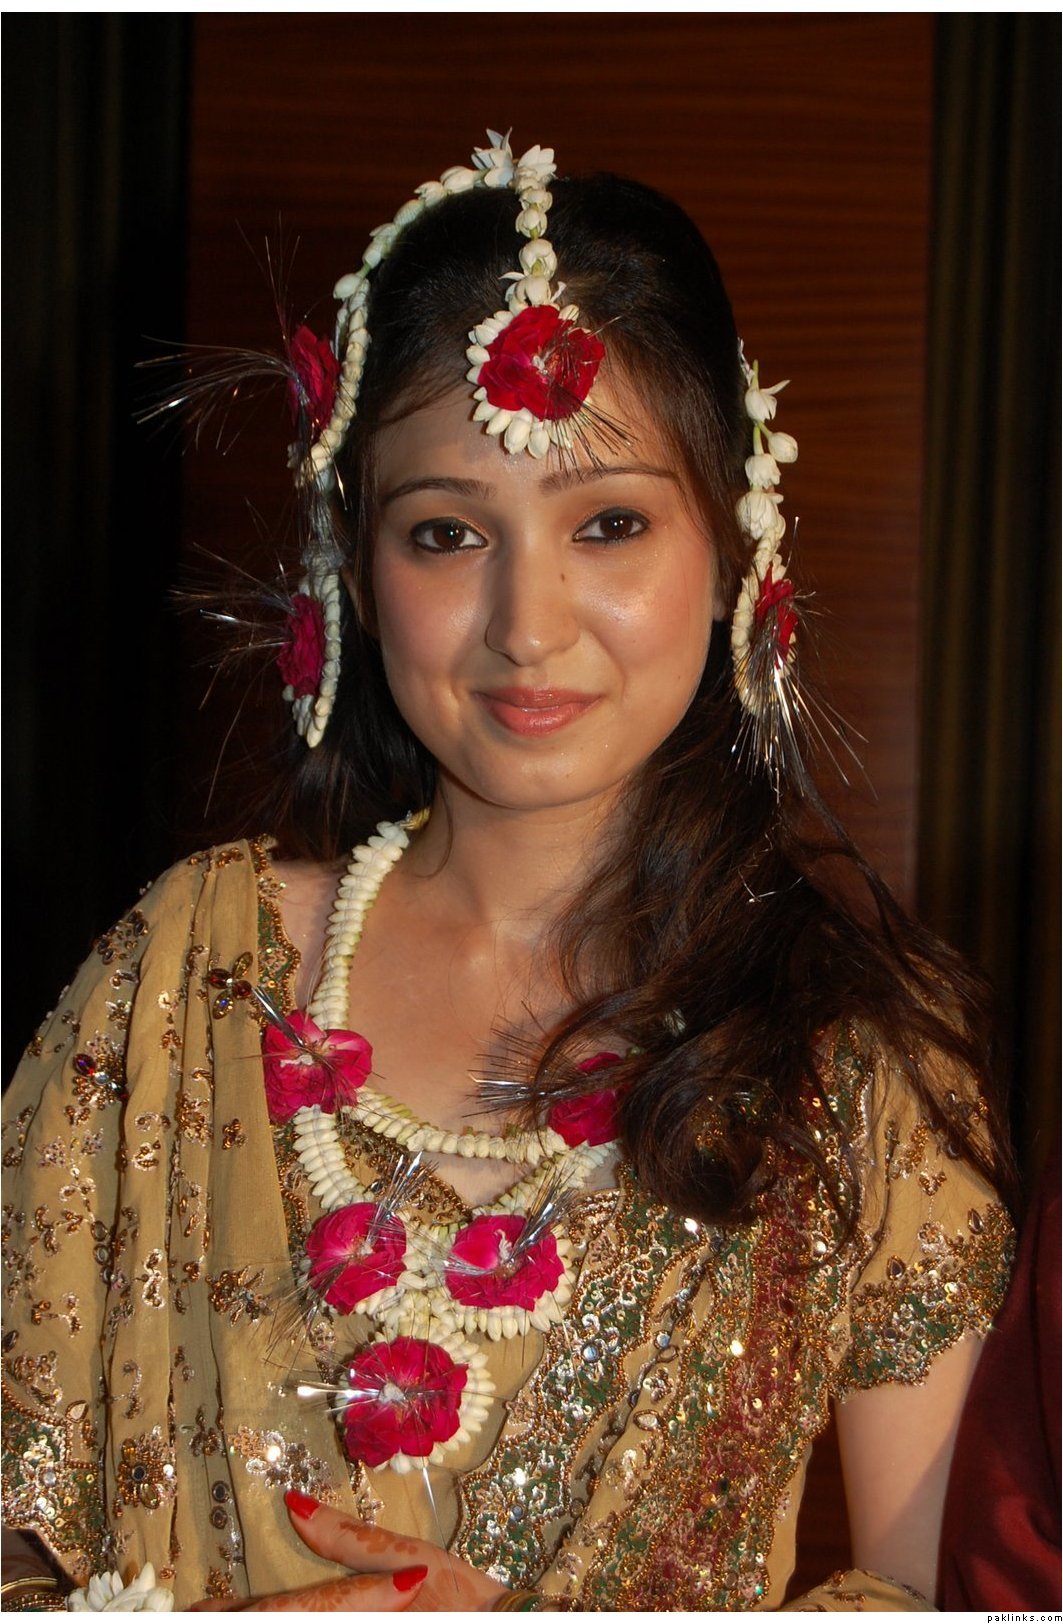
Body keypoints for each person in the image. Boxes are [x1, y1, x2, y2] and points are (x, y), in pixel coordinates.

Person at [1, 132, 1014, 1612]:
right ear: (356, 576)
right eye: (446, 533)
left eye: (610, 523)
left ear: (736, 553)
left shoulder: (856, 1055)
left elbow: (958, 1593)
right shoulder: (182, 980)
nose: (527, 624)